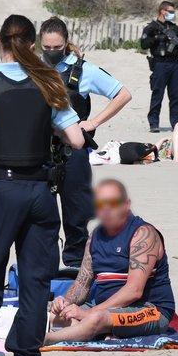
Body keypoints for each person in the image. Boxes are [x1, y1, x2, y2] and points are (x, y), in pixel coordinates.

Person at [0, 14, 85, 356]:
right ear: (33, 44)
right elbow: (76, 139)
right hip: (41, 192)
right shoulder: (50, 84)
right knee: (35, 282)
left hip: (0, 191)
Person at [39, 16, 132, 268]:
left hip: (73, 151)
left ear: (66, 43)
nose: (51, 52)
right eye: (46, 47)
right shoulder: (33, 68)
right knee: (42, 213)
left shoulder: (83, 70)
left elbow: (122, 94)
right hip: (40, 151)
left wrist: (93, 122)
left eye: (57, 47)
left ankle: (75, 266)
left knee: (76, 214)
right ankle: (44, 266)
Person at [44, 179, 175, 344]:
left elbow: (134, 291)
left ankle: (46, 340)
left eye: (112, 203)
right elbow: (82, 284)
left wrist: (87, 314)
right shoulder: (95, 237)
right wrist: (65, 302)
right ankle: (87, 330)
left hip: (149, 309)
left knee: (96, 318)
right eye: (100, 204)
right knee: (52, 313)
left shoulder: (143, 234)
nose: (106, 209)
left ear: (126, 204)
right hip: (105, 308)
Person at [140, 1, 178, 133]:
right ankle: (154, 123)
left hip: (174, 64)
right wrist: (157, 38)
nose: (173, 14)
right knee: (158, 94)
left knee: (175, 95)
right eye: (171, 11)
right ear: (162, 11)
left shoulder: (174, 28)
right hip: (160, 64)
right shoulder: (151, 28)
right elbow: (143, 44)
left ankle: (176, 123)